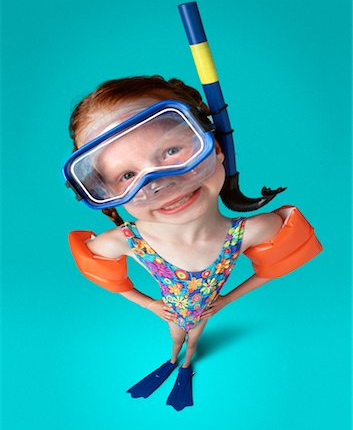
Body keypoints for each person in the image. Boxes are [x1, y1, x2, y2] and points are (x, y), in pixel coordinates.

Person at [65, 75, 321, 411]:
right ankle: (173, 360)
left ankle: (185, 365)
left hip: (203, 310)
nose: (161, 182)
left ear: (215, 147)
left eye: (171, 151)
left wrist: (226, 300)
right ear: (108, 196)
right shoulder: (128, 240)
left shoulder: (249, 232)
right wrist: (151, 304)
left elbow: (277, 265)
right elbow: (101, 269)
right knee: (176, 336)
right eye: (128, 176)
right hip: (175, 311)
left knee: (194, 338)